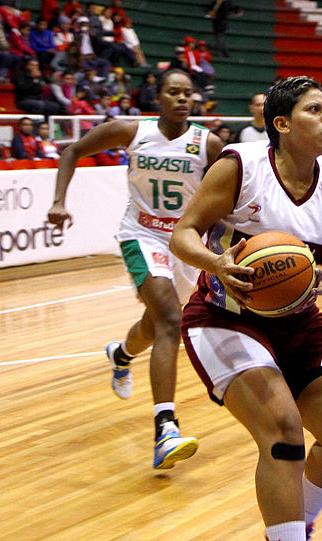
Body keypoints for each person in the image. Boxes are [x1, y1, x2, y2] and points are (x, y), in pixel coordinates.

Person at [168, 75, 322, 541]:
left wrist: (321, 280)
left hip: (298, 320)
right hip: (224, 317)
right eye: (314, 110)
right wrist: (217, 263)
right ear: (281, 122)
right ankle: (288, 533)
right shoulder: (241, 165)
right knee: (283, 428)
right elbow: (183, 234)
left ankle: (299, 521)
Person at [48, 69, 224, 471]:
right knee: (169, 319)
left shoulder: (208, 144)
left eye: (187, 94)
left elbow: (229, 191)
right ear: (158, 97)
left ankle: (122, 354)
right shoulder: (131, 131)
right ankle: (166, 428)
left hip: (185, 242)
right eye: (173, 92)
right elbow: (72, 151)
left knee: (154, 322)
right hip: (140, 235)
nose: (182, 99)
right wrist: (59, 201)